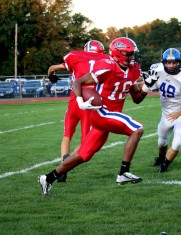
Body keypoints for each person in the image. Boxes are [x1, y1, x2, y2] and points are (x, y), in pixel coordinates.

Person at [39, 37, 152, 195]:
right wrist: (80, 101)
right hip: (102, 112)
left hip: (110, 115)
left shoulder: (133, 70)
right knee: (137, 129)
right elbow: (78, 82)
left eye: (133, 54)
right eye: (129, 54)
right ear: (118, 54)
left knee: (82, 156)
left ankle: (48, 178)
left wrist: (148, 86)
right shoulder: (107, 66)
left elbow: (137, 99)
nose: (132, 57)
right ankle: (123, 173)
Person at [47, 40, 108, 182]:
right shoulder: (105, 61)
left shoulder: (77, 58)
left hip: (75, 101)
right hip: (89, 103)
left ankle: (63, 161)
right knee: (85, 141)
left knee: (67, 135)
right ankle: (65, 166)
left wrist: (52, 77)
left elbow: (52, 68)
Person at [151, 48, 181, 172]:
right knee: (162, 141)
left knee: (177, 143)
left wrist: (178, 113)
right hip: (166, 113)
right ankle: (160, 158)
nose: (171, 65)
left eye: (174, 62)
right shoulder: (158, 71)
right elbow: (145, 84)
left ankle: (164, 166)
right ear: (164, 63)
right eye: (168, 62)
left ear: (179, 62)